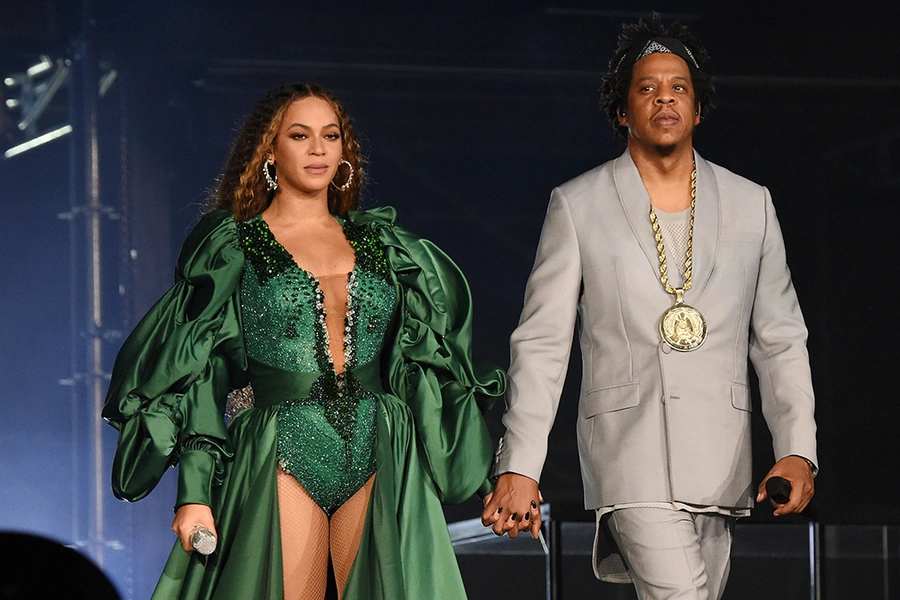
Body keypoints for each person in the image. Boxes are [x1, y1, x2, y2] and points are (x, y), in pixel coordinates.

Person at [103, 82, 505, 600]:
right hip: (280, 448)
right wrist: (195, 493)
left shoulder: (387, 247)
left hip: (382, 444)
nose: (318, 149)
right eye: (300, 135)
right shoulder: (233, 245)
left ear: (345, 153)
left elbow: (427, 369)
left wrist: (489, 479)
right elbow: (199, 372)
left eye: (330, 135)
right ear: (270, 151)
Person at [481, 13, 817, 600]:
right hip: (628, 452)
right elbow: (542, 342)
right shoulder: (578, 205)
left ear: (699, 107)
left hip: (722, 459)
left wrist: (797, 450)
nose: (665, 99)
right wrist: (520, 465)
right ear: (622, 110)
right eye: (647, 88)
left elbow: (780, 339)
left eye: (678, 87)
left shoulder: (750, 205)